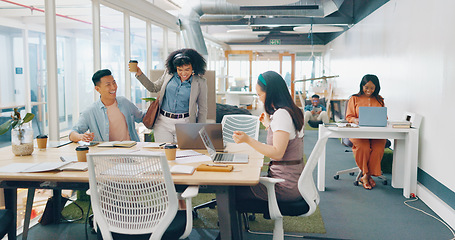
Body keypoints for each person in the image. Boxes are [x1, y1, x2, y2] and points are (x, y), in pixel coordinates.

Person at [233, 71, 305, 202]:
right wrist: (269, 124)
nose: (259, 98)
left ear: (270, 93)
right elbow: (287, 137)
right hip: (293, 181)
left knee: (232, 188)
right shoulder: (292, 111)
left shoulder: (281, 114)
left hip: (284, 187)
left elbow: (277, 153)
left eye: (260, 94)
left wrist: (247, 139)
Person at [132, 48, 207, 143]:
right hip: (163, 122)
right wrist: (139, 74)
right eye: (180, 69)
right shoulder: (169, 74)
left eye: (187, 69)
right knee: (165, 153)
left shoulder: (200, 82)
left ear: (193, 67)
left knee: (182, 155)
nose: (183, 73)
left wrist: (199, 129)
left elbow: (202, 109)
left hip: (185, 123)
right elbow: (153, 88)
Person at [69, 69, 145, 143]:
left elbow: (142, 117)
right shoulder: (90, 112)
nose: (113, 87)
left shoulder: (124, 102)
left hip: (131, 152)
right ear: (98, 89)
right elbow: (73, 133)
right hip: (107, 154)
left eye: (114, 83)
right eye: (108, 84)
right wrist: (81, 137)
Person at [345, 74, 386, 190]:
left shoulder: (380, 99)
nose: (369, 90)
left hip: (376, 133)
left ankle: (366, 175)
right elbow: (349, 116)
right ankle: (366, 175)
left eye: (372, 88)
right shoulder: (354, 98)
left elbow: (384, 116)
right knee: (363, 147)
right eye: (366, 87)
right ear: (362, 86)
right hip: (358, 132)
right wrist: (355, 120)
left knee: (378, 147)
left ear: (376, 88)